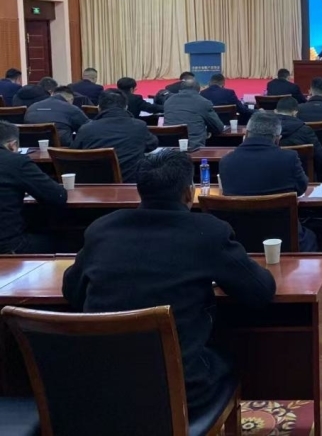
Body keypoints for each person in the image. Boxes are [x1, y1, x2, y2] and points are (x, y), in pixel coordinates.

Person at [62, 150, 276, 420]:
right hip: (182, 390)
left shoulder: (101, 229)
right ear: (189, 192)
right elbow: (260, 292)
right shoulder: (208, 232)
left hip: (102, 385)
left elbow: (72, 292)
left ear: (140, 191)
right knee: (234, 351)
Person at [218, 113, 318, 252]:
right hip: (284, 239)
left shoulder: (226, 161)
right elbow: (301, 188)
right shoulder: (289, 158)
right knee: (312, 235)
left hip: (240, 241)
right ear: (277, 139)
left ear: (246, 134)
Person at [0, 121, 66, 254]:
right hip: (9, 246)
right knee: (68, 240)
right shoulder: (16, 162)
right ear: (13, 145)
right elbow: (57, 196)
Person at [72, 89, 158, 183]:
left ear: (99, 108)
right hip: (132, 184)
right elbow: (152, 144)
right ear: (126, 107)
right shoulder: (139, 126)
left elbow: (75, 152)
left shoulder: (85, 129)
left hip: (94, 185)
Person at [163, 78, 223, 149]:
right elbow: (218, 127)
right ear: (198, 89)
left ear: (181, 88)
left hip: (169, 147)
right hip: (194, 148)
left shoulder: (168, 101)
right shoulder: (203, 102)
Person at [274, 97, 322, 173]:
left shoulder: (266, 129)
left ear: (275, 111)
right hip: (302, 175)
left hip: (272, 175)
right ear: (295, 113)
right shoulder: (305, 130)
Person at [25, 84, 89, 147]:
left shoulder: (32, 107)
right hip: (63, 149)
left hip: (31, 147)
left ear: (52, 94)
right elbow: (87, 127)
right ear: (71, 99)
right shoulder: (71, 108)